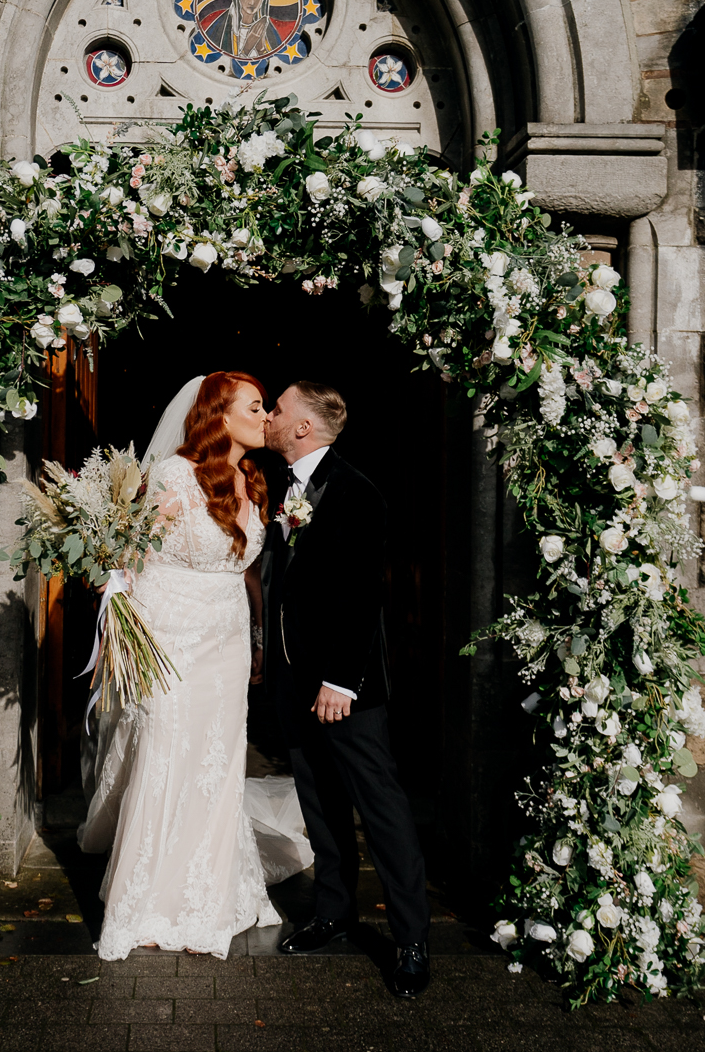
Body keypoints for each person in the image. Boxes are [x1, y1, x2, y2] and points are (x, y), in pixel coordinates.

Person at [78, 372, 283, 958]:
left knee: (217, 759)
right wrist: (121, 622)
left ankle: (211, 895)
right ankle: (149, 902)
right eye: (255, 406)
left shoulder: (252, 478)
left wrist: (260, 637)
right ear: (219, 417)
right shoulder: (174, 476)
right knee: (168, 749)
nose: (265, 415)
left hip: (226, 635)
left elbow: (247, 570)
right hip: (169, 630)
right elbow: (129, 553)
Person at [260, 381, 431, 998]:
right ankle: (333, 913)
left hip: (344, 689)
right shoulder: (285, 489)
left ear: (303, 426)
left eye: (278, 410)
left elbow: (363, 598)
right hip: (292, 681)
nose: (270, 418)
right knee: (319, 805)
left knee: (379, 808)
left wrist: (341, 681)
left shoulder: (357, 493)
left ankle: (412, 940)